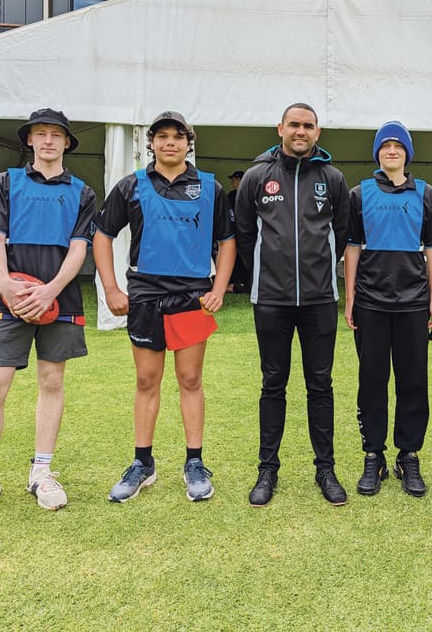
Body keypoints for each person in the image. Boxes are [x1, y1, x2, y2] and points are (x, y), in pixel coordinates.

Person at [0, 108, 95, 523]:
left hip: (60, 298)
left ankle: (42, 472)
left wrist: (50, 290)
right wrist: (8, 287)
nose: (48, 140)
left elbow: (79, 248)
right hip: (7, 299)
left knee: (52, 380)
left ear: (67, 142)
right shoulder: (4, 183)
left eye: (56, 135)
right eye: (40, 134)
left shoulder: (82, 191)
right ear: (29, 141)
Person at [93, 111, 235, 503]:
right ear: (150, 143)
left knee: (190, 380)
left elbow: (228, 240)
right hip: (145, 296)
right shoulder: (131, 186)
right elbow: (102, 235)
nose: (170, 142)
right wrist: (111, 288)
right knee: (146, 381)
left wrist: (219, 288)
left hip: (191, 297)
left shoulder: (209, 187)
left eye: (178, 136)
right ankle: (143, 463)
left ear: (188, 144)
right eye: (162, 136)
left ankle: (194, 462)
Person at [235, 102, 349, 507]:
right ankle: (267, 469)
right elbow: (245, 233)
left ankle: (326, 468)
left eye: (309, 126)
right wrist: (266, 274)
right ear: (280, 127)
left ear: (318, 133)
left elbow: (342, 232)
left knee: (321, 385)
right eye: (294, 124)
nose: (301, 131)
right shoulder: (256, 177)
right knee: (273, 384)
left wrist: (319, 270)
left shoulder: (332, 179)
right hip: (270, 300)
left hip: (319, 300)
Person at [343, 121, 432, 497]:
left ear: (407, 153)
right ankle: (374, 456)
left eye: (397, 146)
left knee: (413, 380)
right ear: (377, 154)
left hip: (414, 301)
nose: (391, 151)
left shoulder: (426, 193)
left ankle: (409, 455)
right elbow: (352, 247)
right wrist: (350, 298)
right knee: (371, 381)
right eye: (384, 146)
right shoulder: (360, 193)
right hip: (371, 300)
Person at [226, 170, 250, 293]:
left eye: (233, 179)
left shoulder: (246, 193)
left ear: (239, 179)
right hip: (240, 233)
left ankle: (242, 283)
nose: (232, 182)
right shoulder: (232, 195)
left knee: (241, 258)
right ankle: (238, 282)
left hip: (242, 233)